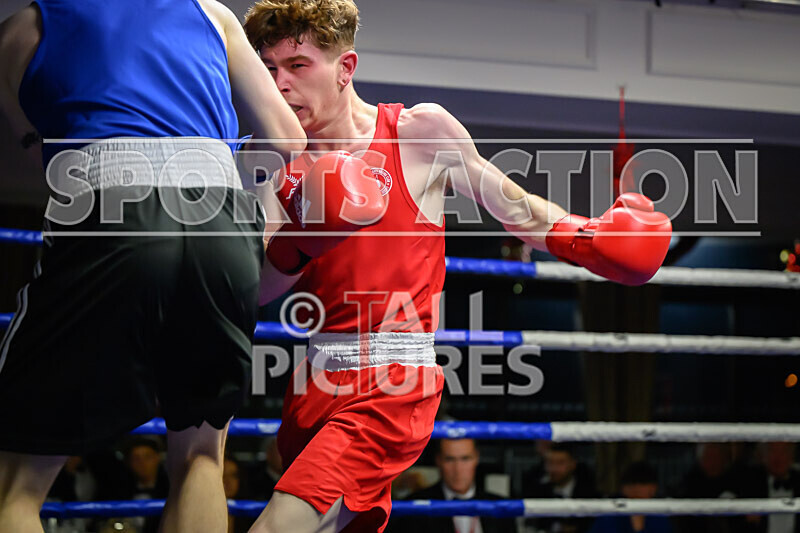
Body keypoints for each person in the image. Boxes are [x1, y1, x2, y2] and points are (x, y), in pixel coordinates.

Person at [242, 1, 672, 531]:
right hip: (312, 380)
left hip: (392, 381)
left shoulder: (417, 133)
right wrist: (302, 239)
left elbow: (513, 209)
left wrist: (590, 240)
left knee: (276, 527)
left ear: (345, 68)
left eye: (298, 66)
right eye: (269, 69)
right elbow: (259, 289)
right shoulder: (275, 162)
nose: (280, 84)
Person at [0, 1, 305, 532]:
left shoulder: (24, 27)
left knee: (13, 483)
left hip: (111, 204)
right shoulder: (213, 14)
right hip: (222, 218)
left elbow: (41, 158)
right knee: (202, 457)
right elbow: (288, 140)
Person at [388, 438, 516, 533]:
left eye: (465, 459)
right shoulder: (414, 508)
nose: (458, 469)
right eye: (449, 459)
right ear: (438, 461)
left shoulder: (502, 507)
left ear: (477, 458)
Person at [524, 443, 599, 533]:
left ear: (573, 464)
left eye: (560, 463)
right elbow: (533, 523)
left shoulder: (588, 492)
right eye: (550, 462)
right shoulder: (538, 490)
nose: (554, 469)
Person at [589, 462, 672, 533]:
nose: (635, 489)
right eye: (631, 484)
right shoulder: (610, 512)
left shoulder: (659, 514)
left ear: (653, 488)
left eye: (641, 483)